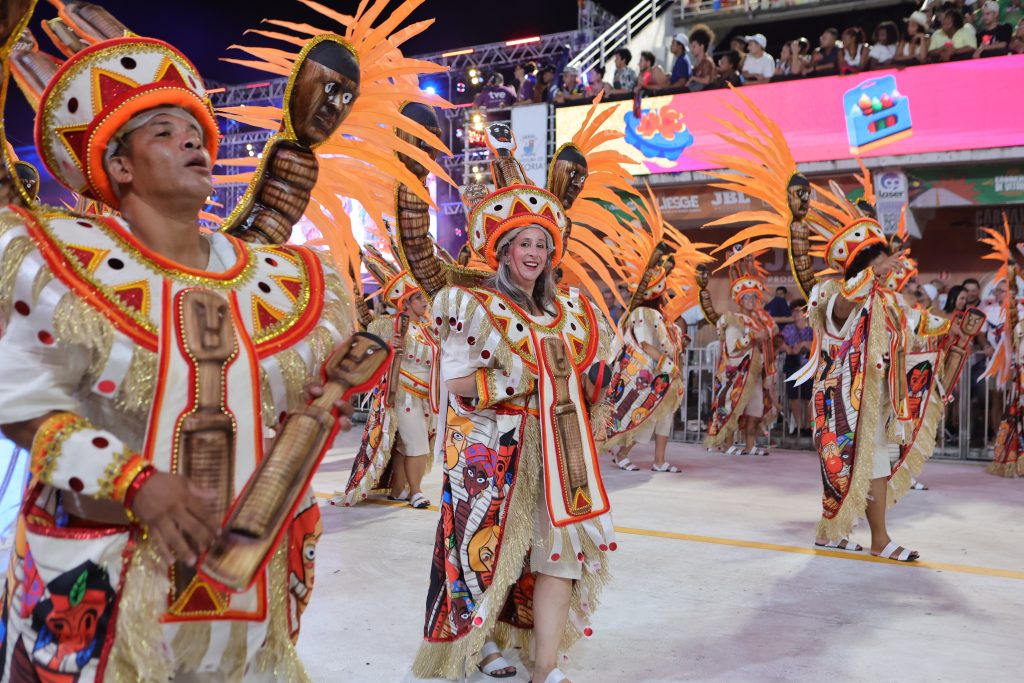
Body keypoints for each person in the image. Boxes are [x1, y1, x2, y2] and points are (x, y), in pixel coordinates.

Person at [0, 0, 442, 676]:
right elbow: (21, 403)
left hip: (242, 595)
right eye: (164, 131)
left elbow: (291, 399)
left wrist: (325, 402)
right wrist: (136, 481)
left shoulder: (273, 276)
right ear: (118, 167)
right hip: (106, 589)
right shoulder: (62, 261)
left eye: (196, 129)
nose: (192, 141)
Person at [705, 89, 980, 561]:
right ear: (862, 265)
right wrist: (872, 264)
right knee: (844, 470)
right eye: (879, 260)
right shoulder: (833, 293)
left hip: (873, 399)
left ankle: (853, 536)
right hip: (839, 402)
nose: (890, 267)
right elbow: (842, 309)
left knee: (866, 467)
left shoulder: (885, 300)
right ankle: (870, 539)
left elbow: (921, 324)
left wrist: (954, 326)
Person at [409, 124, 616, 683]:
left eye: (542, 244)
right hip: (488, 455)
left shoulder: (568, 316)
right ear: (502, 251)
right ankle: (476, 647)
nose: (533, 252)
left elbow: (588, 377)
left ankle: (544, 669)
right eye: (523, 243)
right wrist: (522, 380)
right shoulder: (472, 305)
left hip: (557, 458)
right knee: (486, 558)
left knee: (558, 557)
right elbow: (456, 384)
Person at [604, 203, 705, 474]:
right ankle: (622, 453)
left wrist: (677, 347)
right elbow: (644, 345)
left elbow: (665, 342)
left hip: (665, 374)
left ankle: (659, 461)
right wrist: (665, 362)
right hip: (649, 375)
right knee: (642, 418)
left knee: (664, 421)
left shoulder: (660, 315)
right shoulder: (642, 313)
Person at [336, 250, 438, 509]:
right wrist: (391, 345)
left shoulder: (428, 330)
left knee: (408, 445)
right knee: (417, 446)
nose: (424, 302)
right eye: (418, 298)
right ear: (405, 303)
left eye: (423, 297)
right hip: (403, 396)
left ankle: (398, 489)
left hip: (427, 397)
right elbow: (372, 344)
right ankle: (416, 492)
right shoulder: (390, 326)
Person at [701, 254, 779, 457]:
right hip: (736, 373)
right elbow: (733, 347)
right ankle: (727, 445)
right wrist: (753, 337)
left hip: (755, 372)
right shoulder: (733, 319)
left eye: (754, 297)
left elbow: (770, 339)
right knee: (732, 407)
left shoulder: (761, 320)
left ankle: (750, 445)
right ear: (739, 300)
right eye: (747, 297)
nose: (752, 301)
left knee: (755, 409)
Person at [781, 300, 814, 438]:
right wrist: (787, 347)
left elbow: (820, 342)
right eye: (793, 311)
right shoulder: (788, 328)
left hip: (809, 364)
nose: (795, 314)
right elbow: (779, 341)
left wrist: (804, 343)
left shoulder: (813, 327)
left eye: (798, 311)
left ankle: (809, 426)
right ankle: (799, 425)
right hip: (793, 363)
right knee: (794, 396)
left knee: (808, 396)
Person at [687, 24, 717, 92]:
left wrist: (693, 78)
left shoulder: (707, 62)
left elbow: (707, 80)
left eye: (694, 46)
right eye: (691, 46)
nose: (691, 50)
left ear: (702, 46)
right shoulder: (698, 64)